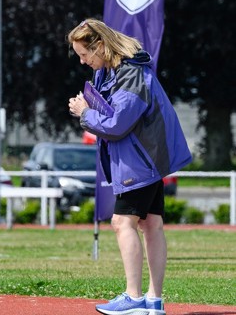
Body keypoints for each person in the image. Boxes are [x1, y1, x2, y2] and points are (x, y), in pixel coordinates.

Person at [67, 18, 192, 315]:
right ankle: (153, 300)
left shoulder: (130, 74)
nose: (83, 62)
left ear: (99, 46)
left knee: (122, 223)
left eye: (84, 54)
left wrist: (84, 113)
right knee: (151, 224)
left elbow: (118, 124)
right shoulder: (113, 72)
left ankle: (134, 298)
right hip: (144, 159)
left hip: (140, 161)